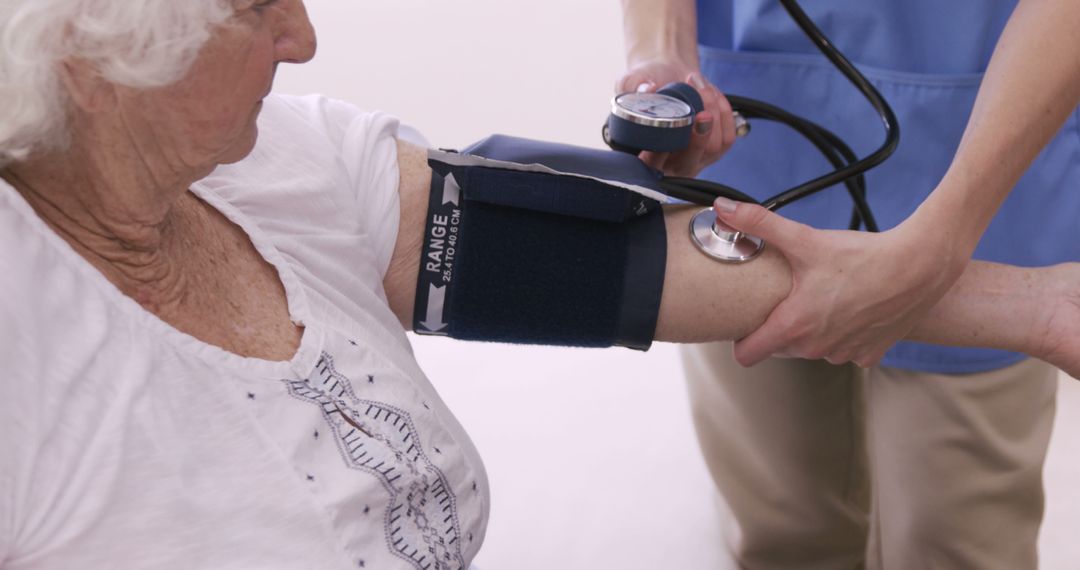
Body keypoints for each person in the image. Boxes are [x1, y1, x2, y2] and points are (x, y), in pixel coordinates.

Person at [0, 0, 1075, 568]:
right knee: (787, 522)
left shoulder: (287, 163)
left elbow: (606, 259)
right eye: (252, 3)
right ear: (92, 59)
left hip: (971, 147)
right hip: (767, 131)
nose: (307, 37)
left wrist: (1019, 299)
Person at [617, 0, 1080, 567]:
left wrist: (943, 242)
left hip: (987, 149)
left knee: (956, 536)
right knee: (782, 532)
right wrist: (662, 49)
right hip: (746, 158)